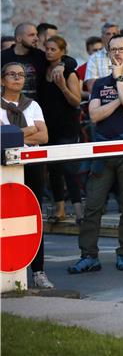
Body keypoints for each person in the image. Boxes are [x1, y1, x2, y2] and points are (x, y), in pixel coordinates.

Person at [68, 33, 123, 274]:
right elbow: (94, 116)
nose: (118, 53)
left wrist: (119, 80)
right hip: (102, 150)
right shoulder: (100, 84)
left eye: (122, 49)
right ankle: (89, 255)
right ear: (107, 53)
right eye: (113, 49)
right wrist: (118, 102)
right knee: (93, 205)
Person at [1, 62, 54, 289]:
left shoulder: (32, 106)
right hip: (4, 168)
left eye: (21, 75)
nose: (17, 78)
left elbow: (43, 137)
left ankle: (38, 270)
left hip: (32, 166)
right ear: (2, 80)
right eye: (12, 74)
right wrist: (29, 130)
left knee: (33, 215)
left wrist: (14, 134)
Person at [40, 36, 83, 224]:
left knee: (69, 168)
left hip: (67, 125)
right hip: (48, 125)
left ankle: (79, 211)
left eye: (53, 49)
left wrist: (63, 87)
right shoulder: (43, 68)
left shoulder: (69, 72)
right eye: (47, 49)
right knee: (54, 168)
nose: (49, 52)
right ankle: (60, 209)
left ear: (62, 52)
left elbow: (76, 101)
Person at [84, 22, 123, 91]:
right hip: (101, 99)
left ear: (119, 36)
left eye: (114, 34)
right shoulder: (94, 58)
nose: (111, 36)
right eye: (108, 34)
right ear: (102, 37)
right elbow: (92, 87)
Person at [2, 22, 48, 100]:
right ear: (19, 38)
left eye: (36, 35)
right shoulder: (3, 56)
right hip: (8, 107)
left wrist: (61, 64)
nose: (36, 38)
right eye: (31, 35)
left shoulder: (40, 56)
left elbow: (67, 60)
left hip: (34, 107)